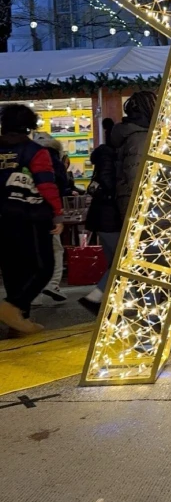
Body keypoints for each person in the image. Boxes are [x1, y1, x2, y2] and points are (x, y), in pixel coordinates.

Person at [0, 104, 64, 334]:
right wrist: (57, 214)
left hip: (2, 218)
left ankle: (18, 322)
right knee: (42, 267)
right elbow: (46, 184)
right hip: (31, 217)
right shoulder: (36, 151)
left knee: (12, 268)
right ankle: (13, 307)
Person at [78, 118, 123, 316]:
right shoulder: (110, 156)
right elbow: (108, 182)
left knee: (116, 261)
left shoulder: (105, 154)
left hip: (104, 216)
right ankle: (95, 297)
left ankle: (107, 301)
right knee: (120, 263)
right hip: (110, 216)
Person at [32, 130, 69, 303]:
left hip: (26, 211)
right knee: (55, 248)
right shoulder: (54, 159)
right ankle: (52, 283)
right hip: (47, 211)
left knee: (33, 250)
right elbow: (55, 187)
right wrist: (58, 214)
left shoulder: (26, 156)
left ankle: (33, 290)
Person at [111, 91, 157, 222]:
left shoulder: (132, 133)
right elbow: (136, 177)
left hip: (131, 201)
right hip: (141, 205)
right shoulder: (140, 137)